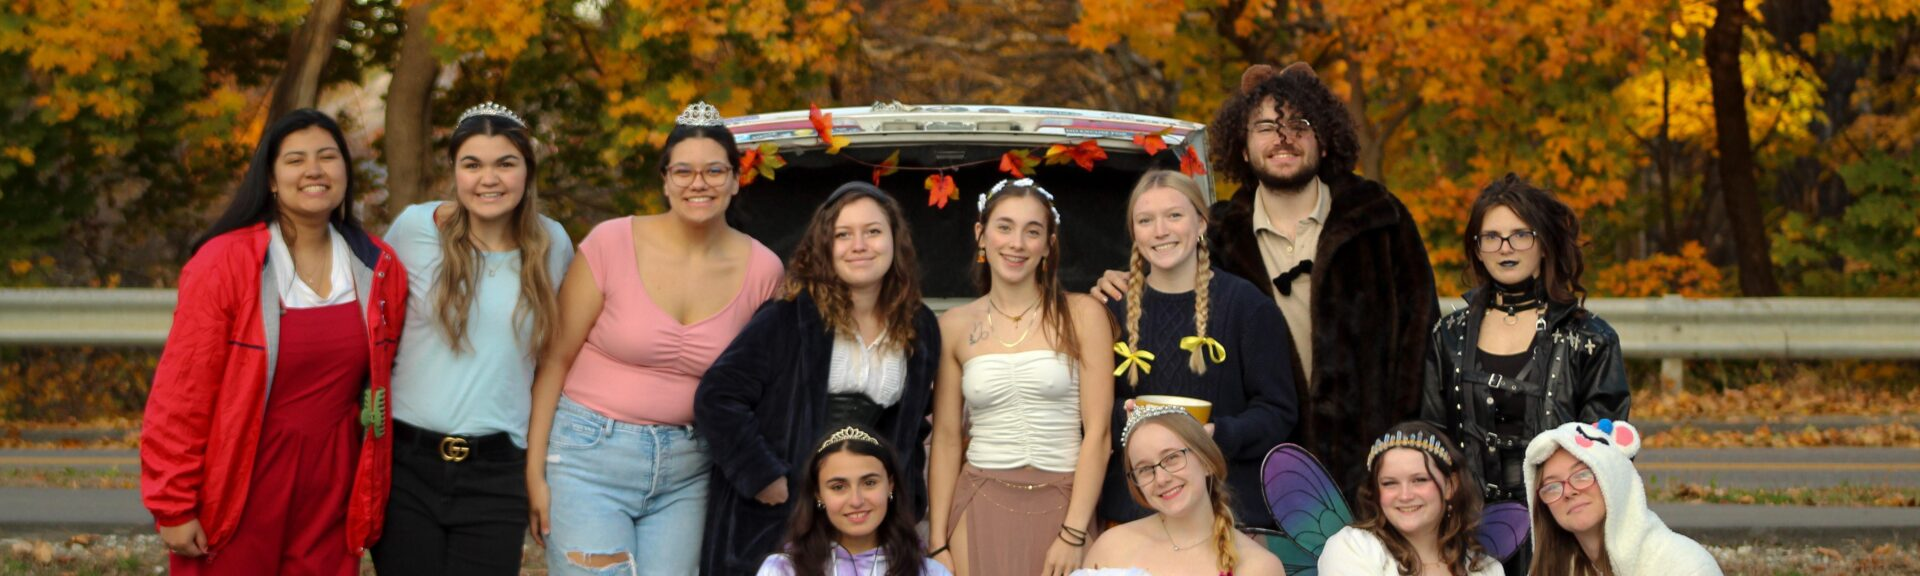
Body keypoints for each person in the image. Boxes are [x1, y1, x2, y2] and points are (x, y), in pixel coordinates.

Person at [1093, 62, 1439, 499]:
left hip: (1375, 469)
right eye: (1266, 126)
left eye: (1299, 124)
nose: (1283, 137)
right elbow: (1161, 280)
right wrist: (1120, 281)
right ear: (1242, 146)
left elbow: (1421, 350)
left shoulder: (1379, 221)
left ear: (1324, 141)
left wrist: (1406, 449)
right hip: (1258, 479)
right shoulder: (1215, 236)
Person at [525, 101, 785, 575]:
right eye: (683, 171)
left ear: (734, 179)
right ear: (665, 180)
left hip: (691, 471)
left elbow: (762, 389)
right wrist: (535, 472)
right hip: (588, 457)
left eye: (713, 170)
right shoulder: (611, 242)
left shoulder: (765, 270)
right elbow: (555, 359)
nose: (698, 183)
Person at [141, 109, 404, 574]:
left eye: (328, 157)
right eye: (295, 160)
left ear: (346, 170)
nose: (314, 170)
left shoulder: (378, 266)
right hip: (242, 476)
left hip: (333, 483)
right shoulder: (225, 263)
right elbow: (182, 393)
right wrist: (173, 505)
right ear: (271, 179)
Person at [698, 182, 942, 574]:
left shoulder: (918, 325)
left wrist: (907, 502)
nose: (859, 245)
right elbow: (717, 396)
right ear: (826, 246)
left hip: (862, 509)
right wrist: (764, 476)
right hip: (780, 510)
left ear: (895, 240)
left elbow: (911, 426)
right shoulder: (789, 317)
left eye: (873, 232)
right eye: (843, 235)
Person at [373, 102, 572, 574]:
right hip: (406, 465)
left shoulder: (553, 245)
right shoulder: (414, 230)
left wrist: (536, 473)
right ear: (455, 172)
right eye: (472, 164)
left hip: (497, 469)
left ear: (527, 171)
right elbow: (373, 329)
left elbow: (551, 365)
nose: (489, 179)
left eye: (506, 163)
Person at [1421, 174, 1630, 574]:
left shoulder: (1591, 339)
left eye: (1521, 235)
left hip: (1560, 527)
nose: (1506, 248)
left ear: (1545, 244)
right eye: (1492, 237)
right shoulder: (1448, 336)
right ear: (1477, 249)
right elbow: (1434, 437)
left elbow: (1606, 454)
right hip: (1467, 529)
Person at [928, 178, 1115, 576]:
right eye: (1004, 227)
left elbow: (1098, 433)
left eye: (1032, 232)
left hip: (1065, 506)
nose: (1016, 243)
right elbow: (945, 439)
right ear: (981, 235)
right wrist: (937, 543)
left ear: (1048, 245)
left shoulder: (1084, 315)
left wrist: (1073, 534)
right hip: (978, 502)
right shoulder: (954, 326)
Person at [1103, 170, 1297, 530]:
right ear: (1134, 233)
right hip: (1134, 514)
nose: (1160, 231)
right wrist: (1124, 418)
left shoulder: (1247, 306)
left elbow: (1278, 411)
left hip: (1226, 512)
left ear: (1201, 223)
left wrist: (1216, 436)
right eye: (1146, 220)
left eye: (1174, 216)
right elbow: (1088, 412)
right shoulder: (1109, 309)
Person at [1074, 405, 1284, 576]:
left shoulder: (1258, 567)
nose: (1162, 478)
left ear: (1206, 462)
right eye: (1145, 469)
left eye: (1172, 458)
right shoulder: (1112, 548)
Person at [1524, 421, 1721, 576]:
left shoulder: (1686, 566)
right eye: (1552, 486)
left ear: (1612, 477)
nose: (1568, 491)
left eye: (1582, 475)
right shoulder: (1551, 570)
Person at [756, 427, 953, 576]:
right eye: (838, 487)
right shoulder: (782, 570)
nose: (856, 500)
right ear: (818, 494)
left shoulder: (930, 572)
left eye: (869, 483)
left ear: (890, 485)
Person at [1319, 422, 1503, 576]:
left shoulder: (1487, 569)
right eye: (1390, 483)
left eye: (1419, 480)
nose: (1405, 495)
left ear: (1450, 486)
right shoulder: (1353, 548)